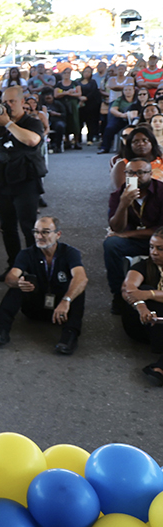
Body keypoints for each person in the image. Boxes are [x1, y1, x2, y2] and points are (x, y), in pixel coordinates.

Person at [0, 86, 46, 273]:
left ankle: (33, 267)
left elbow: (31, 141)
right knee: (7, 227)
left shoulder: (31, 122)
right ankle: (14, 265)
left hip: (26, 181)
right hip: (3, 181)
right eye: (6, 102)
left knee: (28, 226)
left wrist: (9, 124)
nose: (9, 105)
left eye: (12, 101)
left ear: (22, 102)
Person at [0, 216, 87, 354]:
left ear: (58, 234)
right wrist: (18, 282)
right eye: (36, 232)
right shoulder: (26, 254)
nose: (39, 236)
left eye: (45, 232)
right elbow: (11, 276)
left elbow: (81, 277)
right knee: (17, 287)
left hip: (61, 310)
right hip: (34, 308)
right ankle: (0, 331)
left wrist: (66, 300)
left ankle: (69, 337)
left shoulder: (70, 253)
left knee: (78, 288)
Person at [104, 157, 163, 313]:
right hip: (136, 242)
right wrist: (123, 204)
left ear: (150, 174)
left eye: (140, 173)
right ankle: (118, 294)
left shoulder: (161, 191)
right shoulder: (119, 194)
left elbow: (161, 229)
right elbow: (116, 227)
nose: (135, 177)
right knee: (111, 244)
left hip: (159, 240)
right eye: (130, 173)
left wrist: (127, 234)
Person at [118, 227, 163, 385]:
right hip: (142, 324)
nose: (154, 252)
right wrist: (142, 307)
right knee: (140, 289)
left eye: (160, 248)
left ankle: (160, 368)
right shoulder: (144, 265)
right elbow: (128, 289)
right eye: (151, 247)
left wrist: (152, 294)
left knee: (146, 292)